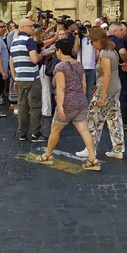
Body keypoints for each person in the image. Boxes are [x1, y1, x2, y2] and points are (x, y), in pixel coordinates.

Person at [36, 39, 101, 171]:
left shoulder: (60, 67)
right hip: (80, 101)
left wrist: (60, 106)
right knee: (84, 130)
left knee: (55, 129)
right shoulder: (78, 64)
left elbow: (61, 88)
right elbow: (83, 85)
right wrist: (80, 97)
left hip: (67, 102)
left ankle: (47, 155)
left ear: (59, 50)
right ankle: (93, 158)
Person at [76, 27, 125, 160]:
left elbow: (107, 75)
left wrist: (101, 96)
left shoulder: (104, 54)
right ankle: (118, 148)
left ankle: (90, 149)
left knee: (93, 119)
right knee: (114, 118)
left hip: (106, 90)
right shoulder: (111, 50)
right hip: (114, 88)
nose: (91, 44)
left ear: (98, 41)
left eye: (92, 41)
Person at [10, 18, 44, 141]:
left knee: (22, 106)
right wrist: (42, 55)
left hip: (20, 78)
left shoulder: (14, 42)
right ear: (23, 27)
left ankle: (22, 133)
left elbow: (11, 62)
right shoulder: (29, 41)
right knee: (35, 107)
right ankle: (36, 134)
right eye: (30, 26)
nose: (33, 28)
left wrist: (15, 78)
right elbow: (34, 59)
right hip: (31, 78)